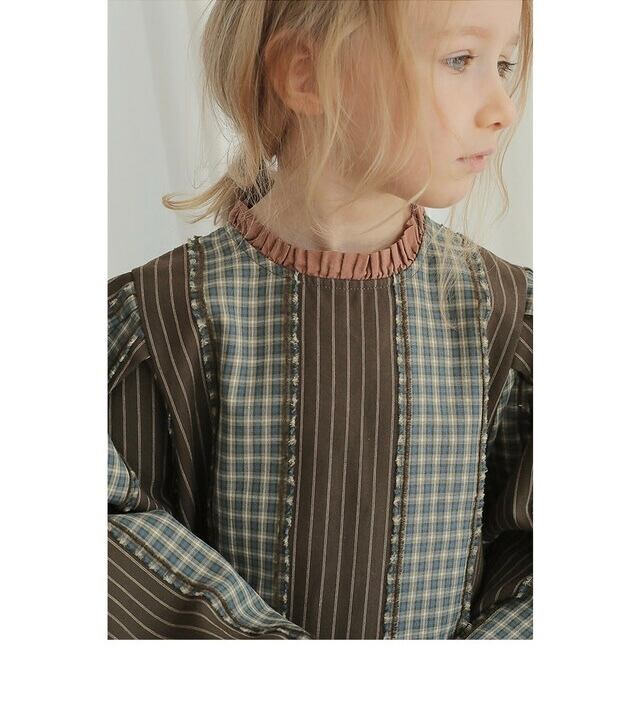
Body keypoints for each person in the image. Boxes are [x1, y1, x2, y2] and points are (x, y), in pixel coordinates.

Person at [107, 0, 533, 639]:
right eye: (459, 59)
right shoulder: (162, 317)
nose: (502, 108)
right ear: (306, 75)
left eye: (503, 64)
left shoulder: (507, 317)